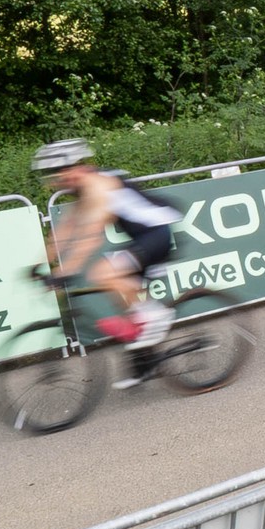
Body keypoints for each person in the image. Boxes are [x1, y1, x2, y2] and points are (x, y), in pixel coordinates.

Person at [34, 140, 180, 383]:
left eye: (59, 173)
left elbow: (91, 236)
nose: (56, 180)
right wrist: (38, 265)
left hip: (156, 235)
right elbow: (65, 230)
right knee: (127, 305)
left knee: (102, 273)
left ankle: (157, 316)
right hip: (141, 238)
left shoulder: (99, 186)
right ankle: (145, 365)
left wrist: (64, 271)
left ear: (75, 167)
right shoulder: (83, 190)